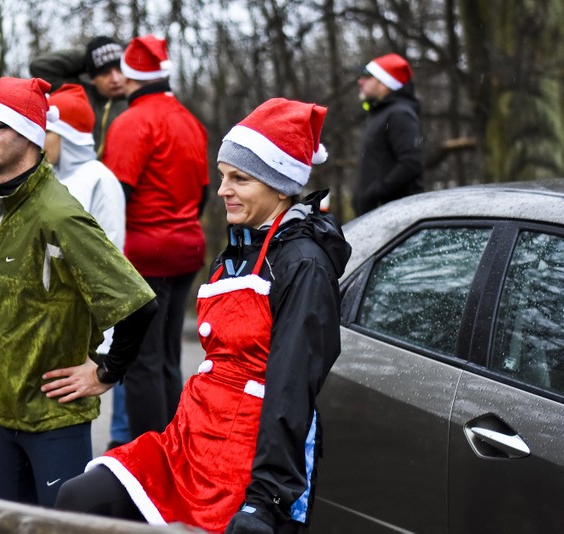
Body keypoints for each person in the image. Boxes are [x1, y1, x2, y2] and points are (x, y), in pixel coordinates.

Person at [55, 98, 352, 534]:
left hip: (247, 458)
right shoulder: (238, 249)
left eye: (240, 179)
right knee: (80, 497)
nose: (222, 190)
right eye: (222, 177)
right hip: (190, 438)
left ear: (279, 185)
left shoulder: (302, 264)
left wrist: (266, 501)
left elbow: (292, 388)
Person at [0, 76, 157, 507]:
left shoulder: (60, 213)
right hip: (0, 415)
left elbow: (138, 305)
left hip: (53, 421)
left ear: (31, 134)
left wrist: (106, 371)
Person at [102, 34, 209, 440]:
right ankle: (175, 446)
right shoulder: (190, 120)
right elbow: (200, 195)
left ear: (130, 78)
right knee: (166, 355)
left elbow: (118, 197)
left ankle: (153, 458)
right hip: (186, 250)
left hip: (146, 255)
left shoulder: (131, 123)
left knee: (142, 361)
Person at [44, 83, 132, 449]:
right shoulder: (48, 178)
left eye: (46, 132)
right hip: (50, 317)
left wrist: (104, 342)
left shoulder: (100, 180)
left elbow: (110, 255)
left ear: (64, 134)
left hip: (83, 321)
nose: (39, 140)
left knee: (71, 406)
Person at [31, 36, 127, 159]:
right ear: (92, 78)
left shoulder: (135, 100)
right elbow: (40, 66)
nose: (115, 79)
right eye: (105, 73)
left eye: (120, 70)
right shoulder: (79, 94)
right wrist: (91, 56)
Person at [353, 52, 424, 216]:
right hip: (380, 215)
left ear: (385, 84)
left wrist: (375, 193)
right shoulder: (381, 113)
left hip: (395, 217)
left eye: (368, 77)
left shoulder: (399, 114)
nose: (360, 81)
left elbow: (411, 163)